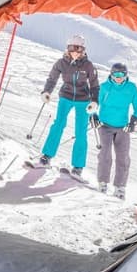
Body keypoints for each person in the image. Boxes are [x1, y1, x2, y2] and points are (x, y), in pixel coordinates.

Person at [37, 34, 100, 176]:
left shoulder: (88, 66)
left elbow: (95, 85)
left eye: (79, 49)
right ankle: (47, 156)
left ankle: (78, 167)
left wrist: (95, 101)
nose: (75, 52)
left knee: (80, 132)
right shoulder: (61, 63)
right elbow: (52, 78)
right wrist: (46, 91)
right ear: (68, 48)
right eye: (72, 48)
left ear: (83, 50)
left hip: (83, 100)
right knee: (58, 124)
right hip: (65, 96)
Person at [94, 62, 137, 199]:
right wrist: (93, 116)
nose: (118, 77)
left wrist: (134, 120)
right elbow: (93, 103)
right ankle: (103, 183)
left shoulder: (131, 88)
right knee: (105, 154)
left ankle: (120, 187)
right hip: (105, 126)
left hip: (123, 127)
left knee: (123, 157)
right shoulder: (104, 87)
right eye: (115, 74)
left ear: (126, 75)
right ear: (111, 74)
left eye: (121, 74)